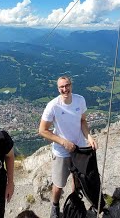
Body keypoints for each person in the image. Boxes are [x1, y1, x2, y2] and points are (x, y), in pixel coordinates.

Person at [38, 76, 97, 218]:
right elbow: (42, 130)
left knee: (77, 180)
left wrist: (89, 137)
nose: (65, 89)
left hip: (79, 148)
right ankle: (55, 206)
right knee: (58, 184)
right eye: (61, 87)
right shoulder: (53, 105)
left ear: (71, 85)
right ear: (58, 89)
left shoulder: (80, 100)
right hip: (61, 152)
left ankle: (75, 204)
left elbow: (83, 121)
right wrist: (64, 142)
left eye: (67, 85)